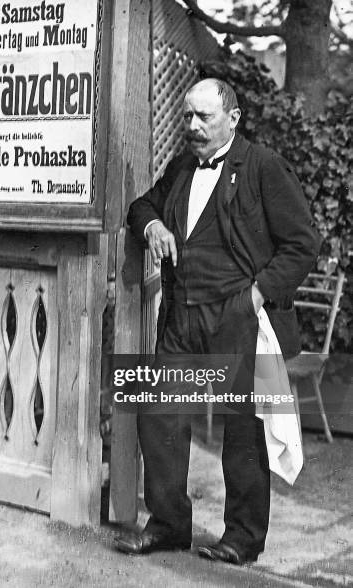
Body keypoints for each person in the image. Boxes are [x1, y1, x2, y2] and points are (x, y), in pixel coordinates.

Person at [114, 78, 320, 564]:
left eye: (203, 117)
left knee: (243, 430)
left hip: (238, 317)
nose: (193, 126)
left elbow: (303, 244)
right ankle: (167, 526)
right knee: (160, 415)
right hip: (182, 313)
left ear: (233, 118)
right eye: (188, 116)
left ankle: (242, 540)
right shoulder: (184, 165)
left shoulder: (264, 166)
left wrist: (257, 294)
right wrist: (153, 225)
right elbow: (141, 203)